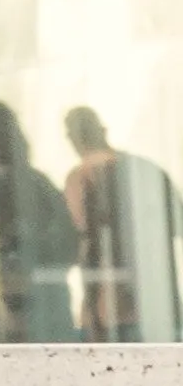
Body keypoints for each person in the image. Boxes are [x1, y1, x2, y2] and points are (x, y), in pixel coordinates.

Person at [0, 102, 80, 342]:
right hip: (51, 298)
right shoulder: (40, 182)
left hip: (10, 300)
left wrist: (0, 302)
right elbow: (71, 241)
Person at [60, 106, 171, 343]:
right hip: (156, 303)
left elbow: (80, 241)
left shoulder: (80, 177)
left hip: (107, 308)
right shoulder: (142, 169)